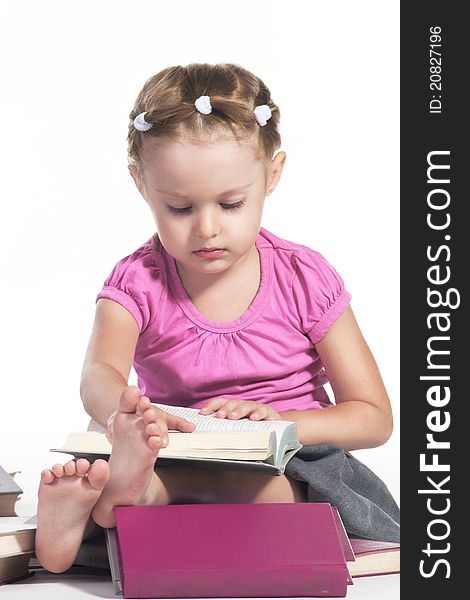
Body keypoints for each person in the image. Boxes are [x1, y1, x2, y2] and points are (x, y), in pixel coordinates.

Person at [35, 63, 394, 572]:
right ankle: (105, 504)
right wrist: (129, 415)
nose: (207, 228)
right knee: (106, 436)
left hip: (283, 461)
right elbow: (99, 373)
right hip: (172, 448)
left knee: (281, 495)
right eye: (180, 208)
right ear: (140, 184)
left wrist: (280, 422)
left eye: (230, 203)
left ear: (272, 174)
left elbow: (373, 417)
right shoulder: (139, 279)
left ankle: (129, 502)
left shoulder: (303, 276)